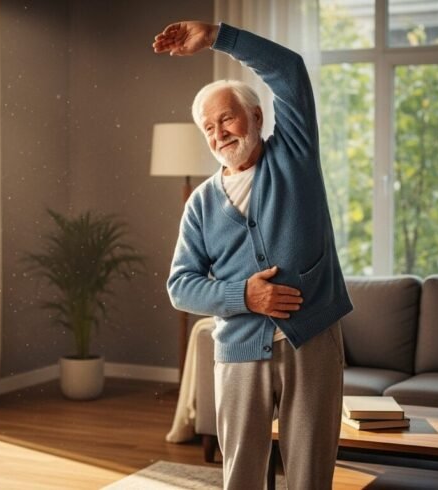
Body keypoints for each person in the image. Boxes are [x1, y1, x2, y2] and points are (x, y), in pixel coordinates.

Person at [153, 21, 353, 490]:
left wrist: (218, 36)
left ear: (257, 117)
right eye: (208, 127)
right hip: (240, 348)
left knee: (310, 473)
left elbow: (290, 70)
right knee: (241, 474)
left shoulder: (295, 157)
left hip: (312, 338)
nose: (218, 134)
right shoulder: (201, 202)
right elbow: (180, 286)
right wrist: (244, 295)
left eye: (226, 118)